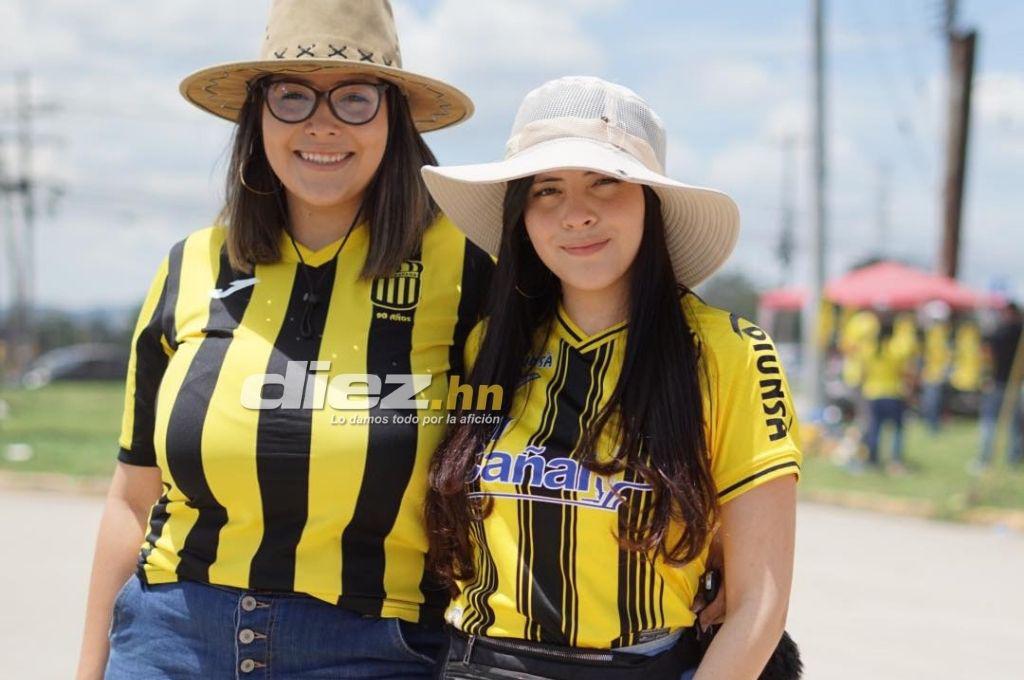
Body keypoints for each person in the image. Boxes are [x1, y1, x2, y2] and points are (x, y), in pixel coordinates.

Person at [75, 2, 492, 678]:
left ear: (394, 117)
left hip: (375, 650)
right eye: (292, 96)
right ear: (257, 117)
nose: (322, 123)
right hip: (168, 642)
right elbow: (131, 498)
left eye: (354, 97)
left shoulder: (473, 268)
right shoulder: (190, 265)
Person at [423, 76, 801, 680]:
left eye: (605, 181)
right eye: (547, 190)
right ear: (522, 217)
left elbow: (760, 604)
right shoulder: (487, 344)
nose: (576, 214)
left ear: (652, 201)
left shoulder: (730, 351)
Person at [860, 312, 918, 473]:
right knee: (897, 429)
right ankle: (895, 461)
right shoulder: (897, 349)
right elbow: (905, 372)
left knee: (874, 428)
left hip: (872, 393)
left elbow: (863, 373)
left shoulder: (869, 349)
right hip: (893, 393)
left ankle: (872, 460)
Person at [975, 302, 1024, 470]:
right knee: (1012, 423)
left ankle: (987, 458)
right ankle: (1011, 457)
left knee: (992, 422)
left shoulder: (999, 332)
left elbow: (986, 354)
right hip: (1009, 383)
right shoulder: (1014, 333)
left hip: (1004, 383)